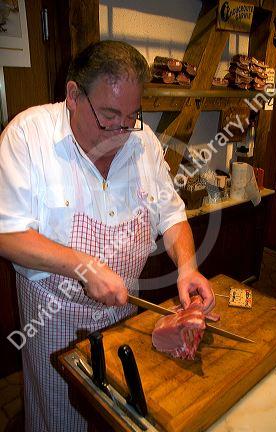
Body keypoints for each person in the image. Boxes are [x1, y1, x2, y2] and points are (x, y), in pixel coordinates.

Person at [0, 40, 215, 431]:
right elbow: (6, 234)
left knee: (116, 413)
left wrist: (187, 267)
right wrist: (84, 267)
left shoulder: (143, 141)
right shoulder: (27, 137)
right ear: (73, 96)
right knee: (59, 416)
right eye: (109, 116)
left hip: (122, 313)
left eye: (131, 116)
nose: (121, 131)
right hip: (54, 321)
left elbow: (171, 214)